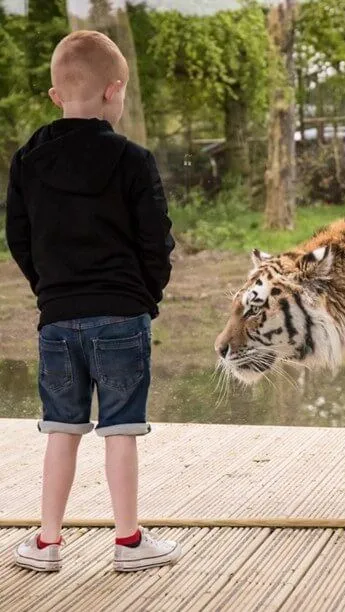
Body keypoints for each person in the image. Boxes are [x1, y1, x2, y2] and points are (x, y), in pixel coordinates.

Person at [5, 30, 180, 572]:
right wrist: (144, 296)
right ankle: (128, 543)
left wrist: (50, 290)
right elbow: (157, 239)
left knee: (62, 427)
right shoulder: (133, 159)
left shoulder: (28, 160)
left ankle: (47, 542)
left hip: (58, 320)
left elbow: (19, 236)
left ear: (57, 95)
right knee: (121, 429)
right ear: (114, 90)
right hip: (122, 315)